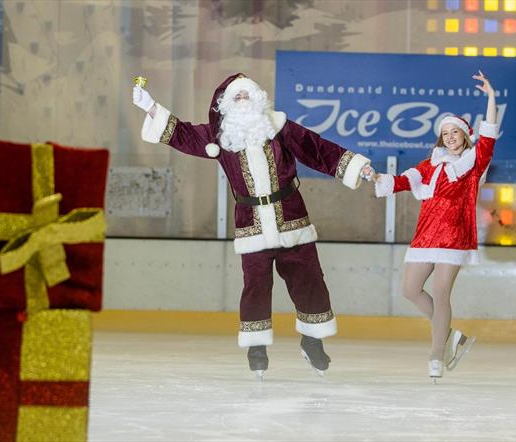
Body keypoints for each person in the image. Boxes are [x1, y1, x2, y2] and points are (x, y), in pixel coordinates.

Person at [133, 73, 372, 379]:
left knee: (309, 279)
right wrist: (151, 107)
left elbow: (317, 149)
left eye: (248, 95)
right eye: (237, 97)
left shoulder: (278, 126)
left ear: (258, 99)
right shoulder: (219, 136)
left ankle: (312, 340)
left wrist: (355, 165)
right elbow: (182, 134)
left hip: (292, 217)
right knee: (256, 285)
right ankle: (256, 347)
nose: (243, 101)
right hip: (251, 224)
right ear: (226, 104)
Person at [365, 71, 497, 382]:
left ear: (465, 135)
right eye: (446, 133)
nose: (451, 136)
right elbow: (400, 182)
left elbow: (489, 134)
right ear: (441, 137)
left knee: (440, 293)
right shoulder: (430, 164)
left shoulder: (474, 161)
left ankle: (437, 354)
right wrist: (375, 178)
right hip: (426, 234)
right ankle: (453, 337)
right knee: (410, 289)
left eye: (456, 132)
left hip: (454, 235)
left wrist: (491, 97)